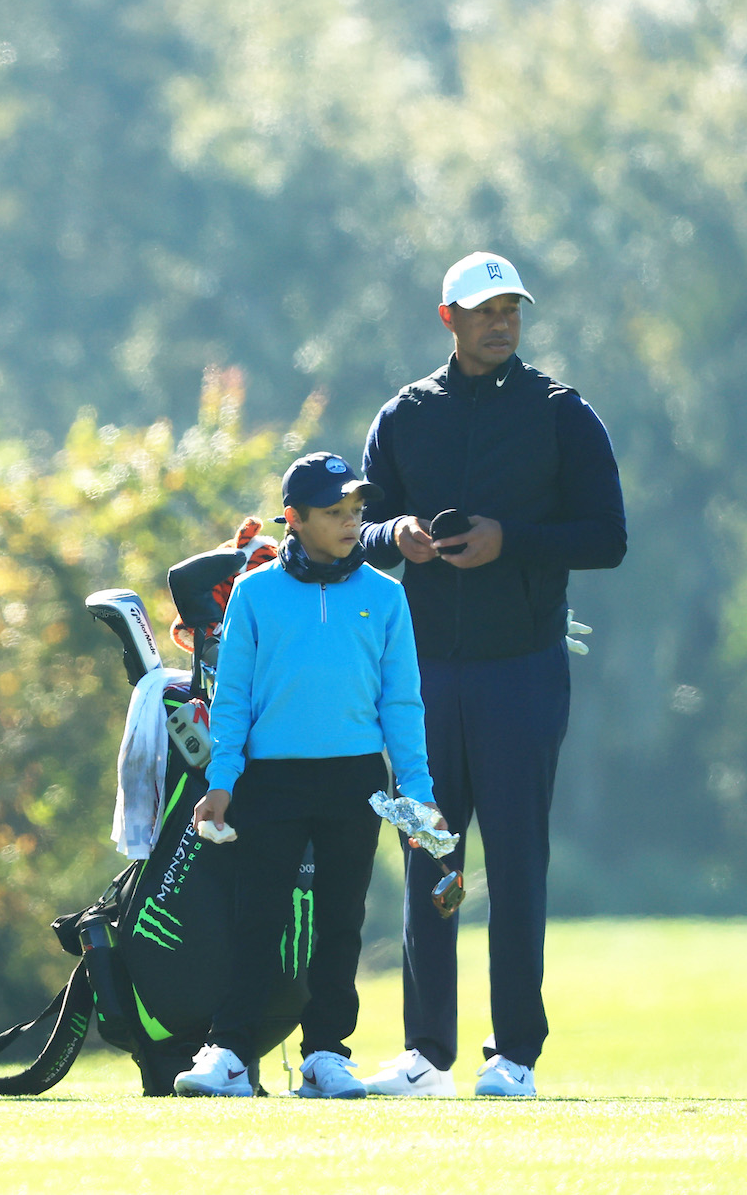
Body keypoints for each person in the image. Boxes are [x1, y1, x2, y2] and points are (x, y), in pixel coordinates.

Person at [356, 252, 626, 1098]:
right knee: (432, 856)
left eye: (511, 307)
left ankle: (515, 1054)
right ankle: (427, 1053)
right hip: (425, 674)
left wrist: (514, 539)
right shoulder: (405, 415)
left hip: (523, 672)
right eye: (483, 309)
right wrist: (391, 534)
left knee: (514, 860)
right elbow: (351, 529)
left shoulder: (561, 414)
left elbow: (607, 538)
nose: (500, 321)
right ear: (449, 318)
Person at [172, 452, 442, 1099]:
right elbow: (233, 697)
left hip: (354, 779)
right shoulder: (255, 592)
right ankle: (231, 1051)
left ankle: (326, 1052)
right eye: (334, 512)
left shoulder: (386, 594)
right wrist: (222, 780)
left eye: (356, 510)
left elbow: (401, 702)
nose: (351, 522)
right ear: (293, 519)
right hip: (270, 779)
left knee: (340, 920)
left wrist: (420, 794)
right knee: (258, 918)